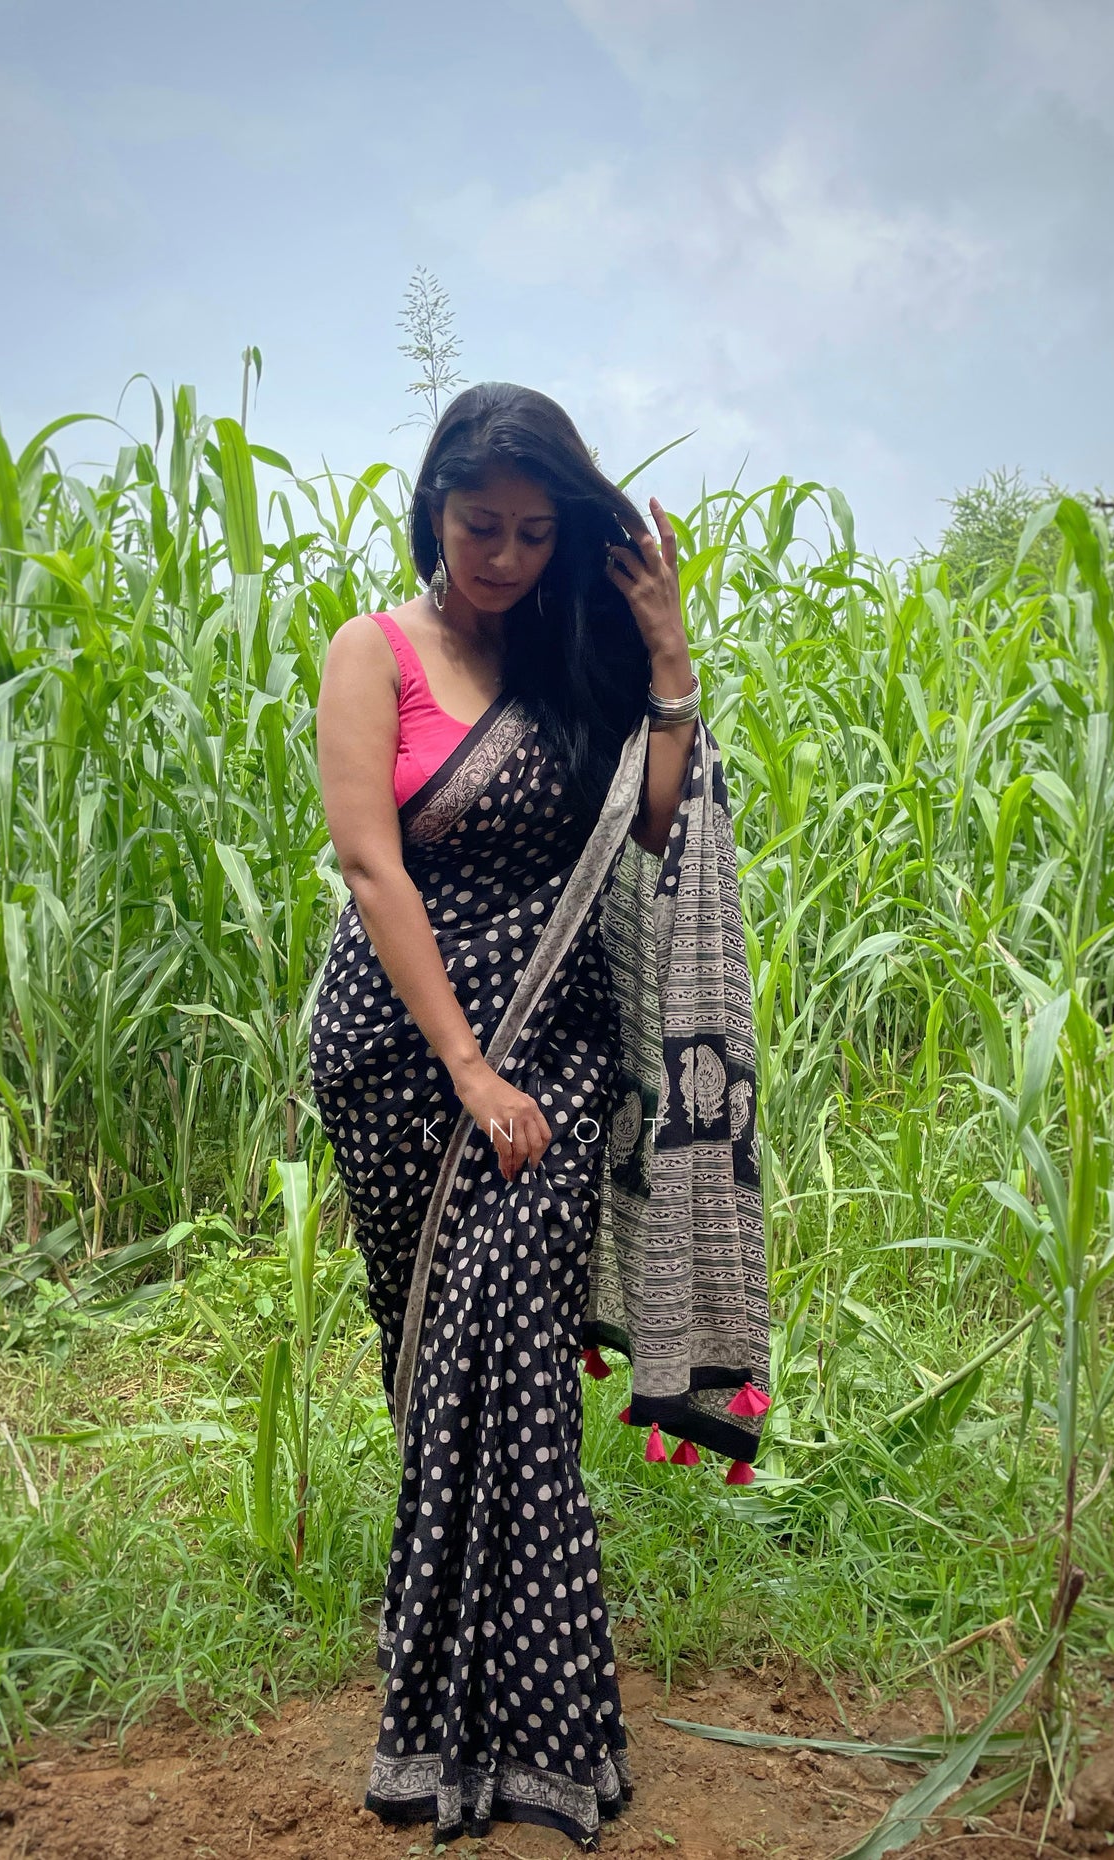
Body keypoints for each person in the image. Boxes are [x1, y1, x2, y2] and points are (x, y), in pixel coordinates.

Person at [308, 383, 769, 1851]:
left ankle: (532, 1722)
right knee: (431, 1361)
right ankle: (445, 1664)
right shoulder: (374, 654)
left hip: (558, 1064)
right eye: (475, 525)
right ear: (432, 507)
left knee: (506, 1357)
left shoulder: (571, 666)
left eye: (528, 531)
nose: (500, 556)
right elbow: (373, 870)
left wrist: (665, 653)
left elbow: (649, 818)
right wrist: (462, 1063)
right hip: (404, 1055)